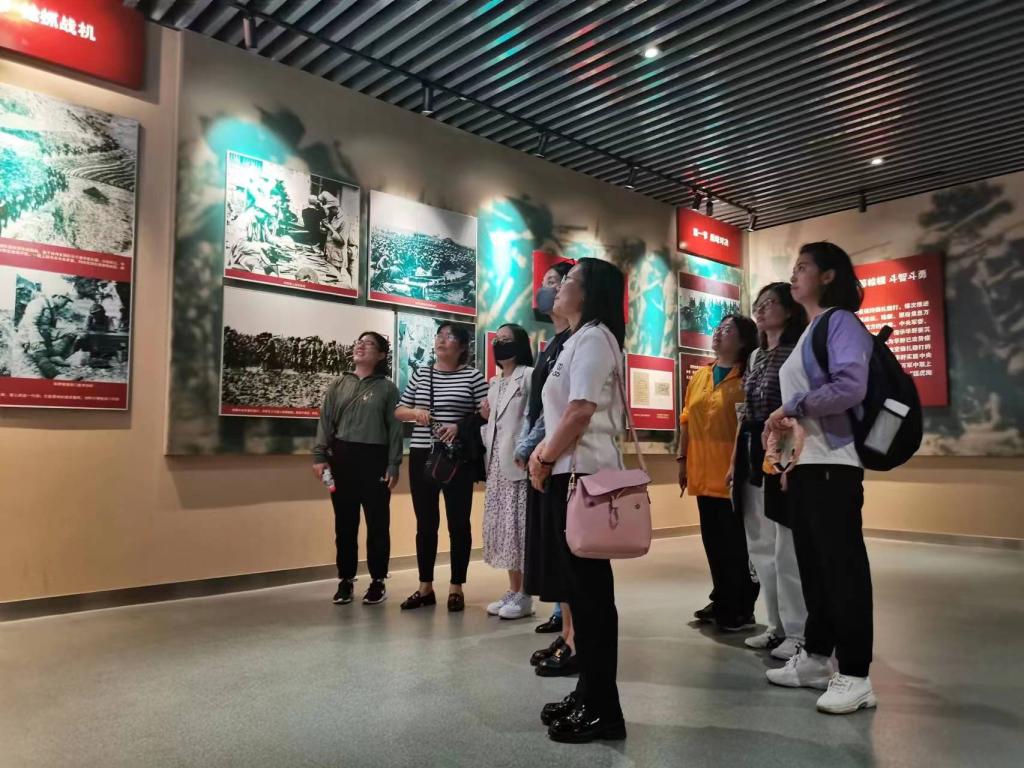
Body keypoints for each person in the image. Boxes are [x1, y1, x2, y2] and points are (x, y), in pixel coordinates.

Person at [765, 242, 878, 715]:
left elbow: (851, 386)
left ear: (829, 276)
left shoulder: (841, 322)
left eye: (803, 267)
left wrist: (791, 406)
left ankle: (855, 674)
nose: (794, 275)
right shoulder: (812, 328)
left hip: (835, 463)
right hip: (809, 465)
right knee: (813, 567)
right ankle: (814, 658)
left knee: (841, 569)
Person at [529, 258, 628, 744]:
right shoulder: (577, 339)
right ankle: (588, 693)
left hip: (580, 476)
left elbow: (580, 411)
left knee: (591, 598)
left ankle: (604, 710)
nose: (557, 287)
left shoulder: (594, 339)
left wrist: (544, 456)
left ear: (587, 293)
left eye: (567, 281)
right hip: (569, 474)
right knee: (583, 595)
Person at [730, 284, 809, 660]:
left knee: (787, 546)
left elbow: (799, 410)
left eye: (770, 303)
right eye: (757, 304)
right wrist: (735, 462)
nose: (761, 310)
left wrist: (791, 461)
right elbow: (746, 413)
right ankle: (775, 625)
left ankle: (799, 631)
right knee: (759, 546)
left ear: (790, 310)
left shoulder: (797, 351)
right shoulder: (756, 355)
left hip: (785, 449)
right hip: (753, 451)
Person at [395, 322, 488, 612]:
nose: (441, 340)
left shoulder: (473, 376)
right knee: (425, 523)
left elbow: (487, 414)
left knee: (458, 523)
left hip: (456, 457)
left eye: (449, 336)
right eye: (439, 335)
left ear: (462, 346)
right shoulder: (422, 374)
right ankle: (425, 587)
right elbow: (399, 411)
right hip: (423, 454)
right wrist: (416, 412)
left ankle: (456, 587)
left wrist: (459, 427)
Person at [677, 314, 760, 631]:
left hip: (733, 475)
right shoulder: (702, 375)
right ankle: (722, 597)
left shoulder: (747, 377)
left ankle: (742, 607)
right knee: (714, 543)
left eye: (727, 329)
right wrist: (682, 459)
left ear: (743, 340)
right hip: (702, 471)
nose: (718, 333)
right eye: (718, 328)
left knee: (737, 545)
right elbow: (687, 419)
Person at [312, 332, 402, 606]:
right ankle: (346, 579)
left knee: (377, 523)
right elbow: (325, 421)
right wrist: (319, 455)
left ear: (381, 355)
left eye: (369, 343)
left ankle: (378, 581)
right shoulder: (338, 384)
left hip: (374, 459)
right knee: (344, 523)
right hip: (341, 459)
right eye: (359, 342)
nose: (361, 345)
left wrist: (393, 464)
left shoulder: (387, 389)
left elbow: (395, 429)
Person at [520, 262, 577, 672]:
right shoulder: (554, 343)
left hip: (560, 459)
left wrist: (536, 450)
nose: (549, 291)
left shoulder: (580, 339)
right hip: (545, 457)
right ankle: (567, 631)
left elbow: (572, 409)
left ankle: (575, 638)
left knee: (570, 555)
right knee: (556, 554)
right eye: (545, 285)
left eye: (556, 283)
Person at [480, 324, 535, 620]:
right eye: (497, 339)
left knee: (519, 530)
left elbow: (535, 417)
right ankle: (513, 589)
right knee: (505, 531)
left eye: (507, 339)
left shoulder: (528, 376)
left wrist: (529, 451)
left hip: (518, 464)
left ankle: (525, 594)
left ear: (520, 344)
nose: (500, 344)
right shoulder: (494, 382)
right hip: (496, 466)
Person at [17, 291, 75, 379]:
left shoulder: (53, 308)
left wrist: (65, 332)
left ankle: (52, 355)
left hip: (44, 335)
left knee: (71, 333)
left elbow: (49, 326)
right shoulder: (38, 303)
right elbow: (30, 323)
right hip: (29, 335)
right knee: (39, 354)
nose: (66, 304)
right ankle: (57, 375)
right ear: (59, 297)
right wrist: (34, 340)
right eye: (66, 301)